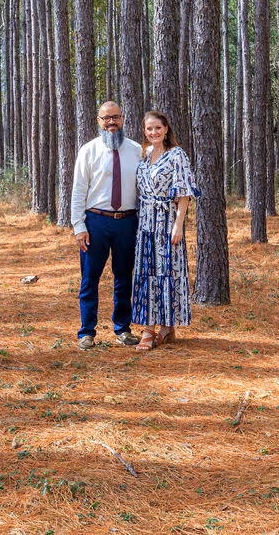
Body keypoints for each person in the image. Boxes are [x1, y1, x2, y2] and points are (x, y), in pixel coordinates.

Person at [70, 101, 143, 350]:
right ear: (98, 121)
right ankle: (86, 332)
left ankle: (122, 328)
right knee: (90, 277)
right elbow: (79, 190)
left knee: (124, 276)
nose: (112, 122)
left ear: (123, 119)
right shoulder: (88, 151)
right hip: (96, 222)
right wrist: (79, 226)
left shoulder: (136, 150)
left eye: (116, 117)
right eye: (106, 118)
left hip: (127, 222)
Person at [131, 111, 199, 350]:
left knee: (166, 274)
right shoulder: (145, 155)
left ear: (166, 129)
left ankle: (150, 332)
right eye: (149, 129)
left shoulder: (176, 155)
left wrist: (178, 225)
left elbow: (184, 194)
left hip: (166, 223)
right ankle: (164, 329)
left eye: (157, 128)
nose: (153, 133)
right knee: (146, 274)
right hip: (145, 224)